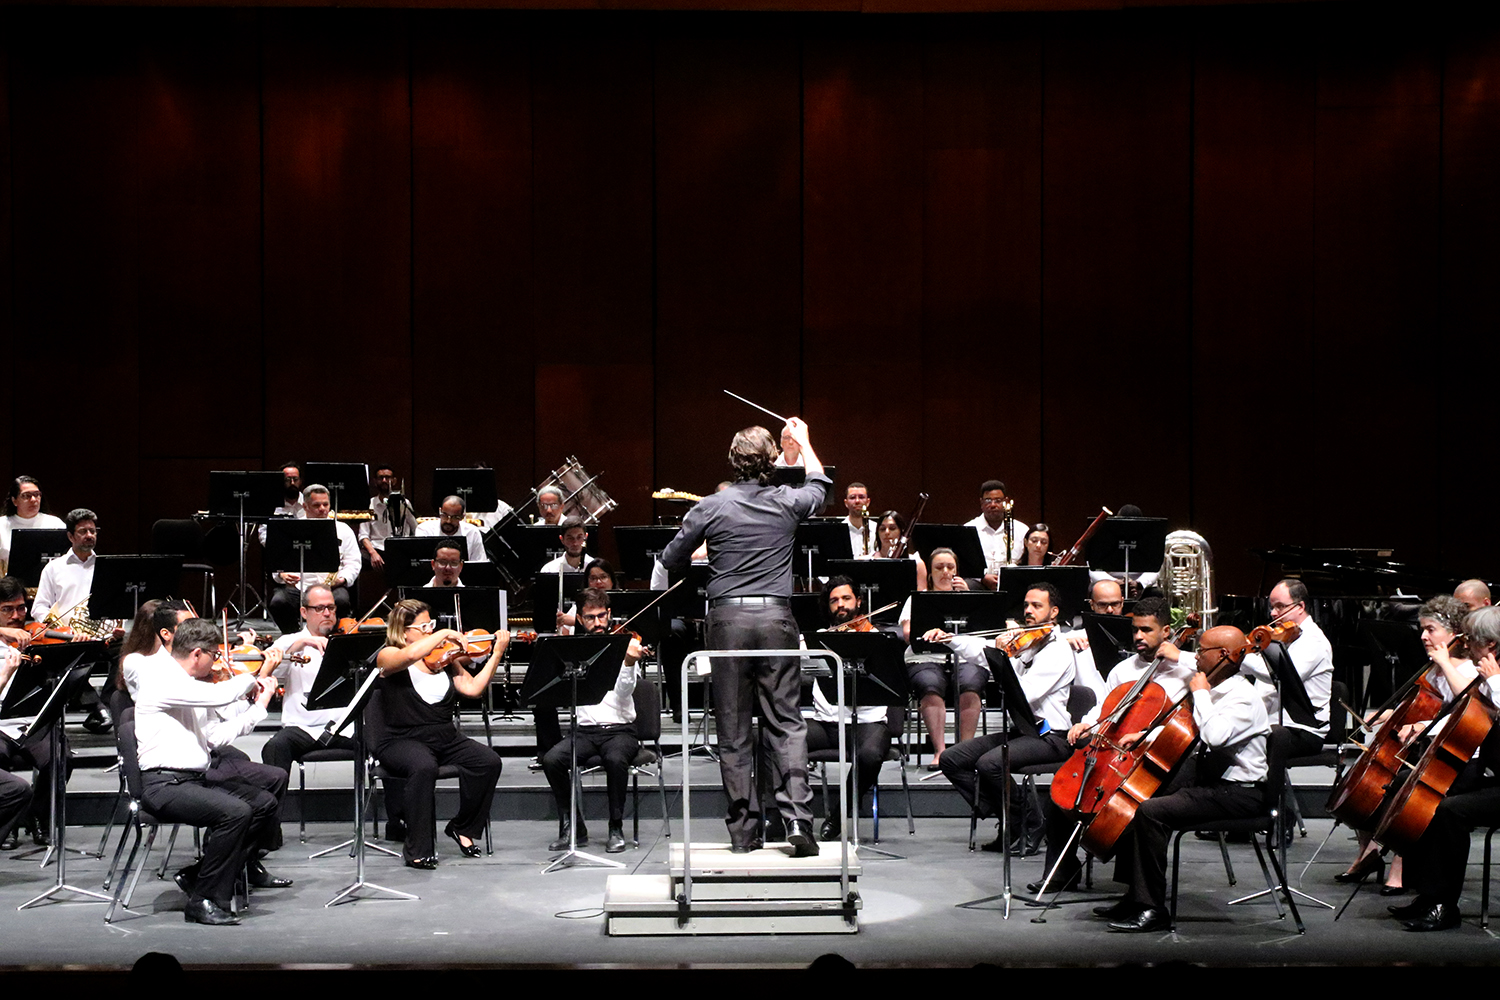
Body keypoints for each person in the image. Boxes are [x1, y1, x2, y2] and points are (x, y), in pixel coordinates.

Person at [660, 417, 829, 856]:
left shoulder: (711, 506)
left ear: (732, 462)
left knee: (734, 731)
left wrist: (712, 548)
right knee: (786, 724)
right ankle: (797, 822)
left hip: (729, 623)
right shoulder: (786, 501)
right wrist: (806, 442)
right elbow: (820, 485)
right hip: (775, 618)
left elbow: (671, 558)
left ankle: (743, 834)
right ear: (771, 460)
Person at [1097, 624, 1271, 932]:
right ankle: (1135, 896)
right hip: (1210, 780)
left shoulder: (1243, 697)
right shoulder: (1216, 688)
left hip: (1239, 793)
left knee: (1152, 812)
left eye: (1202, 651)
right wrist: (1144, 735)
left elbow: (1215, 736)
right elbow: (1185, 729)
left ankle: (1152, 908)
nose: (1196, 657)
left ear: (1222, 656)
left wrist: (1201, 694)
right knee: (1140, 795)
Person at [134, 618, 291, 926]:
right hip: (163, 785)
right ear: (196, 654)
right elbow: (221, 696)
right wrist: (258, 674)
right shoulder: (162, 681)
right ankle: (204, 900)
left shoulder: (189, 687)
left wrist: (259, 706)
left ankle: (200, 875)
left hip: (191, 780)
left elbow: (215, 737)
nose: (216, 661)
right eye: (214, 655)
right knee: (235, 812)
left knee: (263, 804)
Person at [1033, 596, 1195, 893]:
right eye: (1135, 630)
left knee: (1138, 805)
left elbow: (1193, 719)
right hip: (1119, 752)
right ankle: (1062, 871)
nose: (1138, 637)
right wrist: (1085, 722)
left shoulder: (1187, 671)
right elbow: (1106, 708)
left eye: (1146, 630)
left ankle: (1135, 891)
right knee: (1062, 793)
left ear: (1167, 631)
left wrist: (1181, 657)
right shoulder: (1123, 669)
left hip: (1165, 760)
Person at [933, 583, 1094, 855]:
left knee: (989, 764)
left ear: (1053, 612)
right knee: (953, 759)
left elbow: (1025, 694)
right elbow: (979, 648)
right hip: (1023, 732)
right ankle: (1012, 817)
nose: (1028, 611)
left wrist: (1003, 658)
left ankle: (1029, 820)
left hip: (1052, 736)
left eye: (1036, 606)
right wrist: (949, 639)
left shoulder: (1057, 651)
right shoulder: (1024, 643)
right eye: (1027, 605)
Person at [1336, 595, 1477, 894]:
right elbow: (1423, 707)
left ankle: (1401, 861)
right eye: (1422, 629)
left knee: (1400, 787)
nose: (1423, 636)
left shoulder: (1468, 670)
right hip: (1427, 751)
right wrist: (1390, 713)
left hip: (1458, 759)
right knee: (1367, 785)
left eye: (1430, 629)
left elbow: (1464, 707)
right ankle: (1369, 849)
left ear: (1454, 632)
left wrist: (1443, 667)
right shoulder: (1435, 668)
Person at [374, 599, 506, 869]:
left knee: (488, 761)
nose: (429, 631)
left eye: (431, 624)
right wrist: (443, 633)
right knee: (424, 767)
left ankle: (462, 828)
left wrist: (496, 654)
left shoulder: (443, 659)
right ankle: (418, 850)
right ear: (404, 631)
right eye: (423, 627)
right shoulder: (387, 655)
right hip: (400, 739)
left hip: (444, 737)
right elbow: (408, 656)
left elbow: (472, 689)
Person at [1394, 605, 1500, 931]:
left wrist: (1493, 680)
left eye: (1475, 644)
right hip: (1492, 771)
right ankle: (1428, 896)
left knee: (1451, 811)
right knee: (1428, 795)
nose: (1468, 648)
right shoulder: (1490, 674)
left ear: (1491, 646)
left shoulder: (1495, 675)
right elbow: (1477, 715)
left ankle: (1444, 906)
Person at [541, 588, 645, 854]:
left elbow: (624, 691)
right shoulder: (574, 650)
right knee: (552, 760)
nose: (597, 623)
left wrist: (630, 663)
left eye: (601, 616)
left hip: (620, 731)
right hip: (585, 732)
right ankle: (573, 826)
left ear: (609, 615)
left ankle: (616, 827)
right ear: (580, 620)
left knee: (615, 759)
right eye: (590, 618)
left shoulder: (625, 645)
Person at [806, 577, 898, 841]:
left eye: (846, 598)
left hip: (867, 724)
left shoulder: (877, 639)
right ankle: (790, 819)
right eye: (834, 600)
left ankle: (838, 815)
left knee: (869, 755)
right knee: (781, 740)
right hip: (825, 724)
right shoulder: (820, 640)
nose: (841, 605)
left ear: (858, 601)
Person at [259, 585, 358, 778]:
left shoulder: (347, 640)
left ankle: (396, 809)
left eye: (331, 607)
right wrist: (298, 646)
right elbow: (272, 673)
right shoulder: (289, 642)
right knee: (275, 747)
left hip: (347, 728)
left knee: (389, 744)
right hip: (303, 729)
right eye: (319, 608)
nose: (327, 613)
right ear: (304, 612)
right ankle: (273, 808)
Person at [898, 547, 975, 768]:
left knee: (972, 683)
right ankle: (941, 752)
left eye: (950, 567)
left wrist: (967, 597)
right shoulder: (917, 599)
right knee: (929, 685)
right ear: (930, 573)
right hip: (925, 656)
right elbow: (907, 633)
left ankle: (965, 752)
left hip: (964, 656)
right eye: (939, 567)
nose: (946, 572)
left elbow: (983, 629)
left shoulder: (971, 597)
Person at [265, 485, 361, 634]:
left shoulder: (343, 530)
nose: (322, 509)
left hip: (331, 586)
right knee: (278, 603)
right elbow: (276, 561)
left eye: (326, 504)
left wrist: (342, 579)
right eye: (316, 505)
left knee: (341, 601)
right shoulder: (290, 528)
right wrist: (281, 575)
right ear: (305, 506)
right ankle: (293, 636)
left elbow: (353, 562)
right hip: (299, 587)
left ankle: (331, 638)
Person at [30, 507, 101, 625]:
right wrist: (59, 629)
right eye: (83, 531)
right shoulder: (53, 568)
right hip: (64, 637)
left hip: (100, 639)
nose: (89, 535)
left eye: (92, 531)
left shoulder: (104, 567)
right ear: (70, 536)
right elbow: (39, 607)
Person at [964, 480, 1026, 590]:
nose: (993, 505)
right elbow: (964, 563)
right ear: (981, 503)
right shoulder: (968, 529)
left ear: (1006, 501)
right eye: (988, 500)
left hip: (1014, 584)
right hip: (979, 585)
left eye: (998, 500)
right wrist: (982, 577)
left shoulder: (1021, 530)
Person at [0, 476, 66, 575]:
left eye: (37, 495)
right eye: (26, 496)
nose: (33, 499)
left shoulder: (55, 524)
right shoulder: (2, 524)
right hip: (11, 585)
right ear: (14, 500)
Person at [359, 464, 418, 571]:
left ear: (394, 480)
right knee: (358, 559)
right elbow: (363, 535)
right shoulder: (369, 504)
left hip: (401, 549)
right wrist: (373, 553)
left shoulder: (404, 503)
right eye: (381, 478)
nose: (384, 480)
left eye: (388, 477)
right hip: (377, 548)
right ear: (375, 481)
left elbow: (416, 529)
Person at [416, 496, 487, 563]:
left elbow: (479, 562)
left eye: (455, 517)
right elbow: (421, 563)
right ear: (440, 511)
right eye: (445, 515)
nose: (448, 521)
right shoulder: (425, 530)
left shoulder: (472, 532)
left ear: (462, 516)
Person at [873, 510, 927, 591]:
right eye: (882, 529)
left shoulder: (917, 564)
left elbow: (920, 597)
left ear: (901, 532)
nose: (887, 532)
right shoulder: (865, 560)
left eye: (892, 528)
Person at [842, 483, 876, 559]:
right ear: (846, 503)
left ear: (868, 502)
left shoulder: (878, 529)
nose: (857, 501)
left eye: (861, 497)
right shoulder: (838, 532)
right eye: (852, 497)